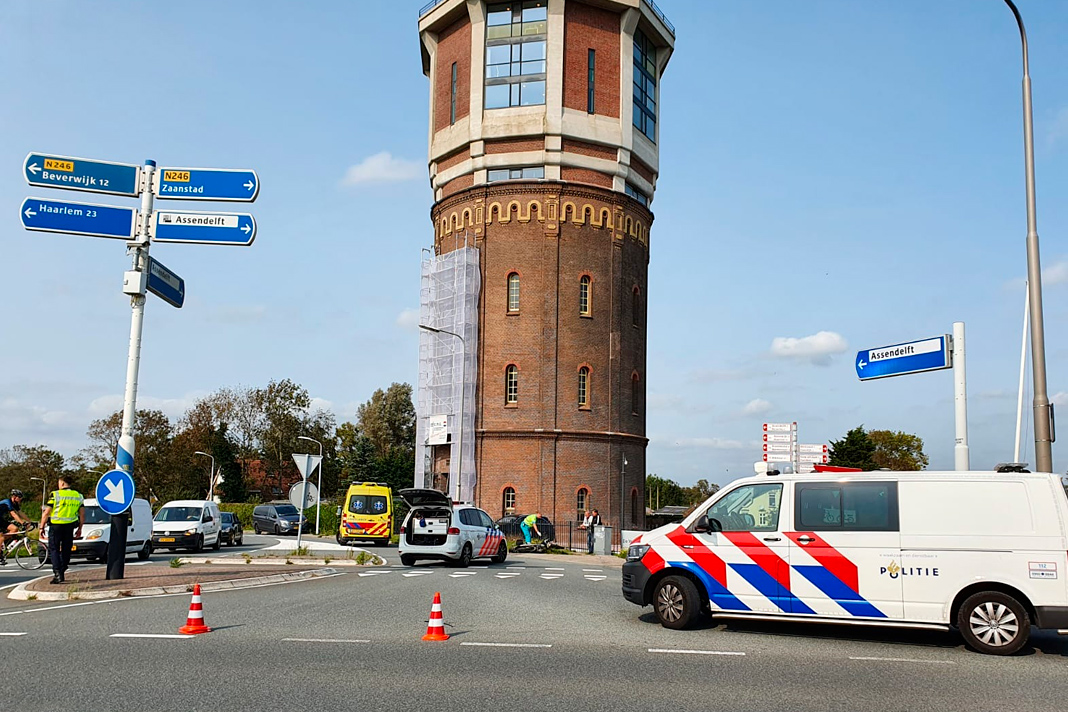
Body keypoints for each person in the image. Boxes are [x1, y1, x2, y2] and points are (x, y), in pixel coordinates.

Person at [39, 475, 84, 584]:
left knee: (54, 549)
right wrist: (80, 528)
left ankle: (57, 573)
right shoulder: (78, 496)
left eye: (59, 483)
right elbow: (82, 514)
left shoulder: (55, 495)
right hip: (69, 526)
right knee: (66, 549)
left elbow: (46, 513)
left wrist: (41, 527)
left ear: (62, 483)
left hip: (56, 526)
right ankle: (63, 568)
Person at [0, 489, 33, 565]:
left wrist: (30, 521)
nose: (21, 499)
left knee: (14, 529)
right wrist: (23, 523)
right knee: (1, 536)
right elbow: (13, 514)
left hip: (0, 519)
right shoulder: (7, 502)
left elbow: (20, 513)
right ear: (14, 497)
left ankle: (2, 542)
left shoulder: (15, 503)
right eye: (19, 497)